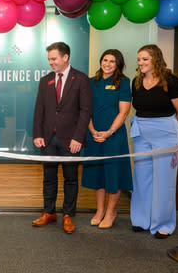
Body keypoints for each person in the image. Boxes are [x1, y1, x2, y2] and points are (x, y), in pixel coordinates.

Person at [130, 44, 178, 239]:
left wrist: (172, 133)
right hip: (141, 133)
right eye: (139, 59)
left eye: (145, 59)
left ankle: (163, 224)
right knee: (142, 178)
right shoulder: (136, 82)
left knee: (164, 180)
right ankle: (141, 219)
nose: (140, 63)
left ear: (156, 59)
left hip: (166, 134)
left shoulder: (172, 81)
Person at [32, 42, 93, 233]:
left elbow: (85, 111)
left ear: (65, 57)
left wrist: (78, 137)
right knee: (48, 178)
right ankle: (49, 212)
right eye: (49, 59)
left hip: (70, 140)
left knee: (70, 178)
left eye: (54, 58)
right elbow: (39, 110)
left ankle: (68, 215)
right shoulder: (45, 80)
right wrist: (38, 134)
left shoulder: (81, 79)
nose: (50, 62)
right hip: (48, 139)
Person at [81, 49, 132, 229]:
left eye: (112, 61)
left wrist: (109, 132)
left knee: (113, 174)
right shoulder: (90, 82)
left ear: (118, 64)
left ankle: (111, 212)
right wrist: (93, 130)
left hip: (114, 136)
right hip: (94, 134)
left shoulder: (123, 83)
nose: (107, 64)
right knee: (98, 175)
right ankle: (100, 210)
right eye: (105, 60)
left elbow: (124, 112)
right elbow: (85, 109)